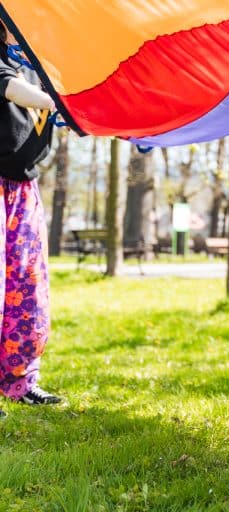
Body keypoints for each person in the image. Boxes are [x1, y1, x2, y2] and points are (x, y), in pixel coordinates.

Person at [0, 22, 61, 418]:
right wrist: (54, 101)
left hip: (21, 189)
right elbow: (8, 88)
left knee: (25, 285)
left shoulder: (23, 61)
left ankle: (20, 382)